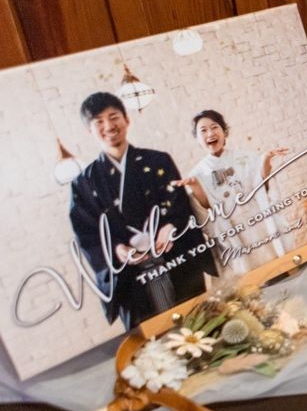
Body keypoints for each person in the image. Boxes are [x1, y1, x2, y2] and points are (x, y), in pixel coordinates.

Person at [69, 92, 215, 329]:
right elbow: (87, 234)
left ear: (127, 119)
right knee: (153, 338)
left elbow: (180, 205)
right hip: (131, 277)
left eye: (113, 117)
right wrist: (117, 249)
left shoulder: (158, 161)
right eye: (99, 122)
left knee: (198, 327)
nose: (109, 126)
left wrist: (171, 226)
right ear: (89, 130)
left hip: (175, 258)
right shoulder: (84, 183)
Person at [174, 110, 291, 278]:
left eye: (215, 127)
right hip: (234, 237)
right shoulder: (197, 174)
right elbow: (206, 215)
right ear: (197, 139)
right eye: (203, 130)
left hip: (262, 228)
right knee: (252, 284)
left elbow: (263, 189)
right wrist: (196, 187)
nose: (210, 133)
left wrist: (265, 161)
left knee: (280, 273)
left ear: (224, 131)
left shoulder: (247, 157)